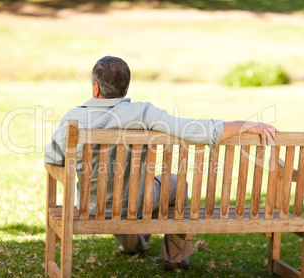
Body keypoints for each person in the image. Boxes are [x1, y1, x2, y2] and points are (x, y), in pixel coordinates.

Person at [44, 56, 278, 271]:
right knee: (176, 184)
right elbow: (194, 129)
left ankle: (135, 244)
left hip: (92, 207)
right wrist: (243, 125)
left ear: (95, 88)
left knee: (122, 194)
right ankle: (175, 258)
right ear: (125, 88)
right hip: (139, 203)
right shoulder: (143, 112)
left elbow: (54, 160)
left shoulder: (72, 119)